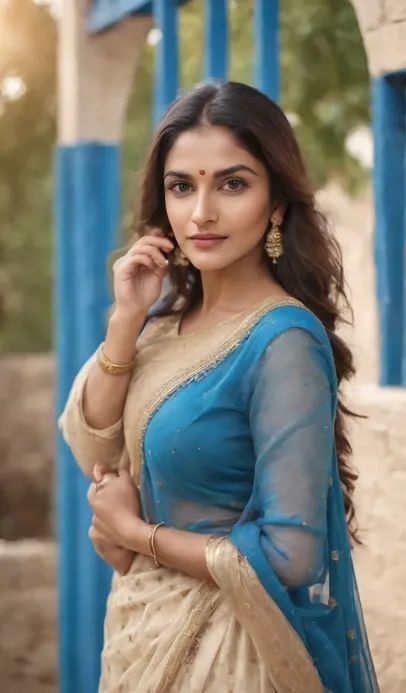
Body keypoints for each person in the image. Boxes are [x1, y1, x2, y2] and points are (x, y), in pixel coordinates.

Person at [59, 81, 379, 693]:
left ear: (276, 204)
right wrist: (125, 321)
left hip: (230, 654)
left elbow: (291, 553)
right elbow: (95, 454)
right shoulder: (160, 325)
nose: (200, 212)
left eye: (232, 184)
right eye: (182, 186)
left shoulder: (282, 341)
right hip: (139, 633)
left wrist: (134, 535)